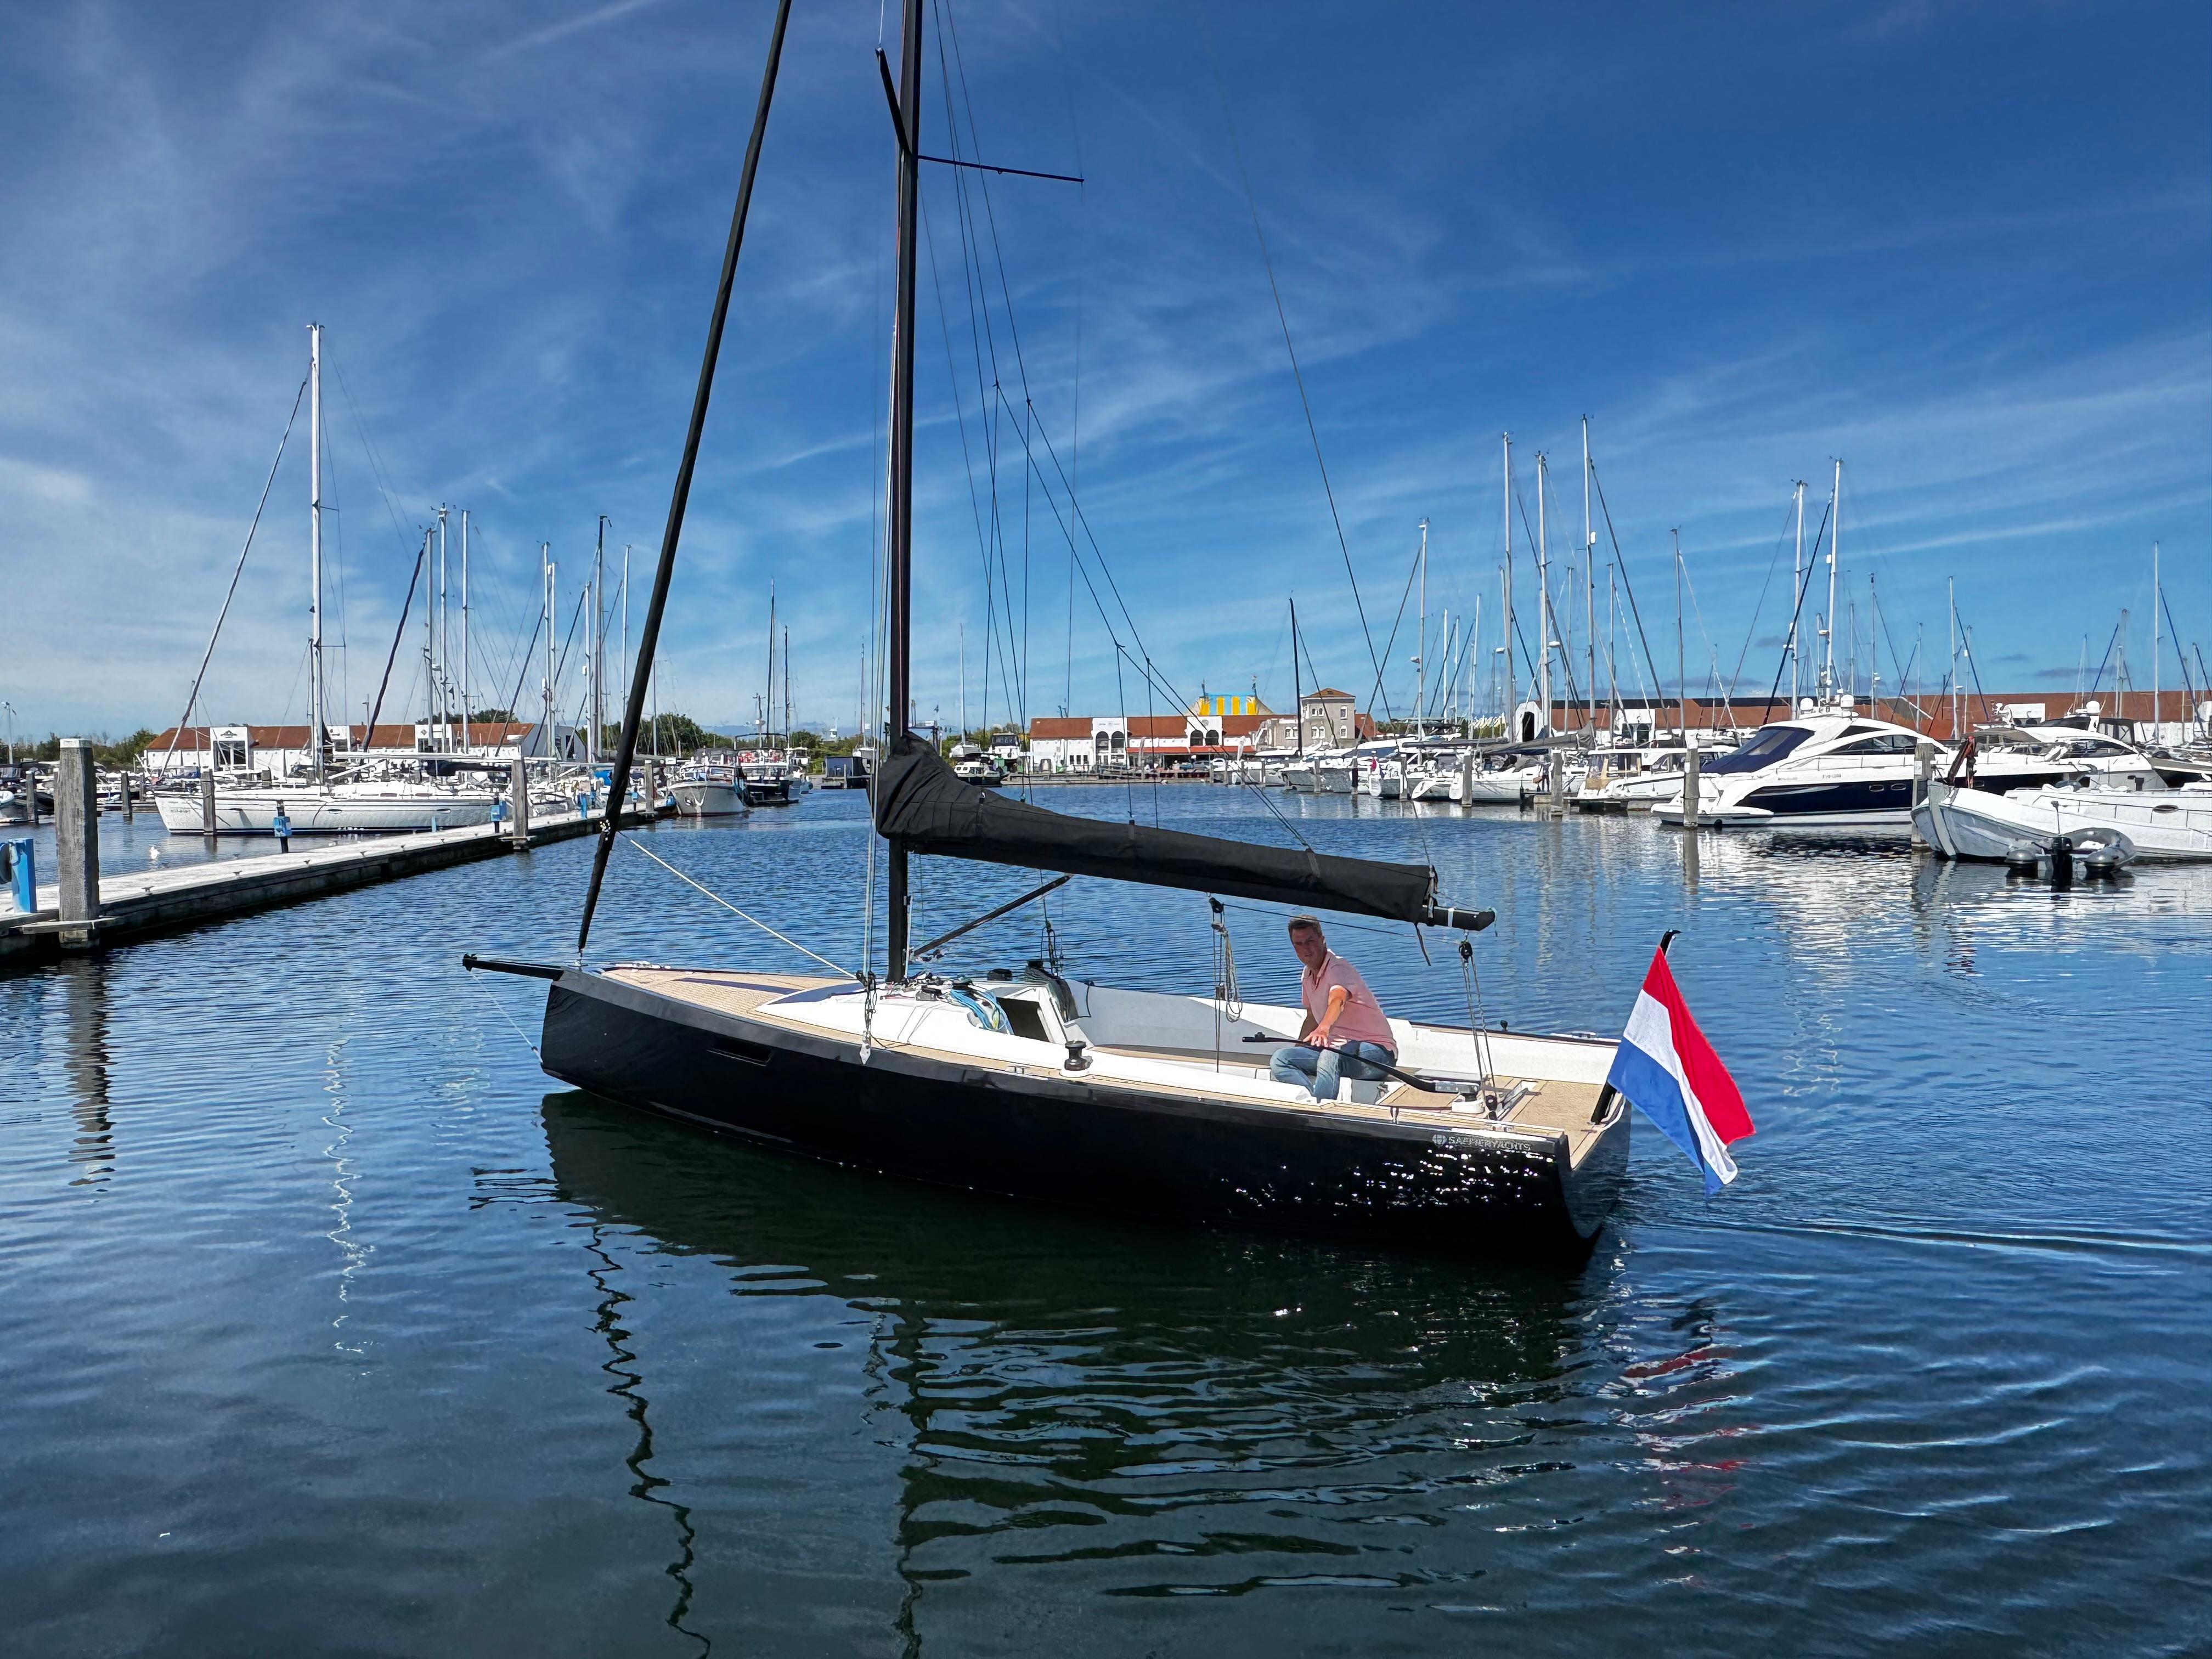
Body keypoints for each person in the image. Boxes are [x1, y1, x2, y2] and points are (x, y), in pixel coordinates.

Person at [1268, 915, 1397, 1102]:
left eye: (1310, 941)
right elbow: (1312, 1016)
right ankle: (1311, 1102)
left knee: (1330, 1055)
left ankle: (1320, 1112)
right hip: (1338, 1052)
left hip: (1377, 1054)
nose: (1306, 949)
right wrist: (1300, 1047)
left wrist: (1324, 1028)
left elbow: (1338, 1000)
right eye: (1299, 944)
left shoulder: (1338, 968)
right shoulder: (1307, 975)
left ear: (1322, 940)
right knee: (1281, 1059)